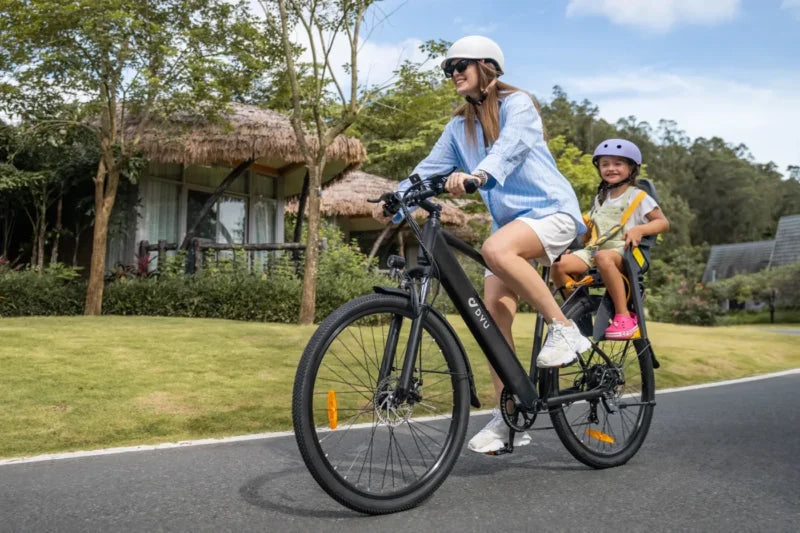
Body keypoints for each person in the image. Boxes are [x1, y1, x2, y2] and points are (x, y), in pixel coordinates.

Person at [375, 35, 590, 454]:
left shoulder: (518, 106)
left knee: (494, 249)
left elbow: (508, 151)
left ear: (487, 66)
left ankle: (565, 331)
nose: (453, 73)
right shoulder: (459, 127)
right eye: (449, 68)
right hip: (511, 226)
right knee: (493, 321)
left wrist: (479, 175)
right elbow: (427, 170)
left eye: (461, 65)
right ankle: (509, 416)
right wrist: (396, 200)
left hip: (553, 213)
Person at [551, 139, 669, 339]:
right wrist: (575, 243)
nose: (610, 168)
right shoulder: (601, 198)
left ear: (631, 168)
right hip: (595, 251)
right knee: (558, 265)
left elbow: (662, 223)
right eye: (605, 164)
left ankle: (624, 316)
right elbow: (590, 231)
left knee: (604, 257)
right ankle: (580, 312)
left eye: (618, 164)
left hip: (627, 252)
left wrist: (640, 229)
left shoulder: (638, 196)